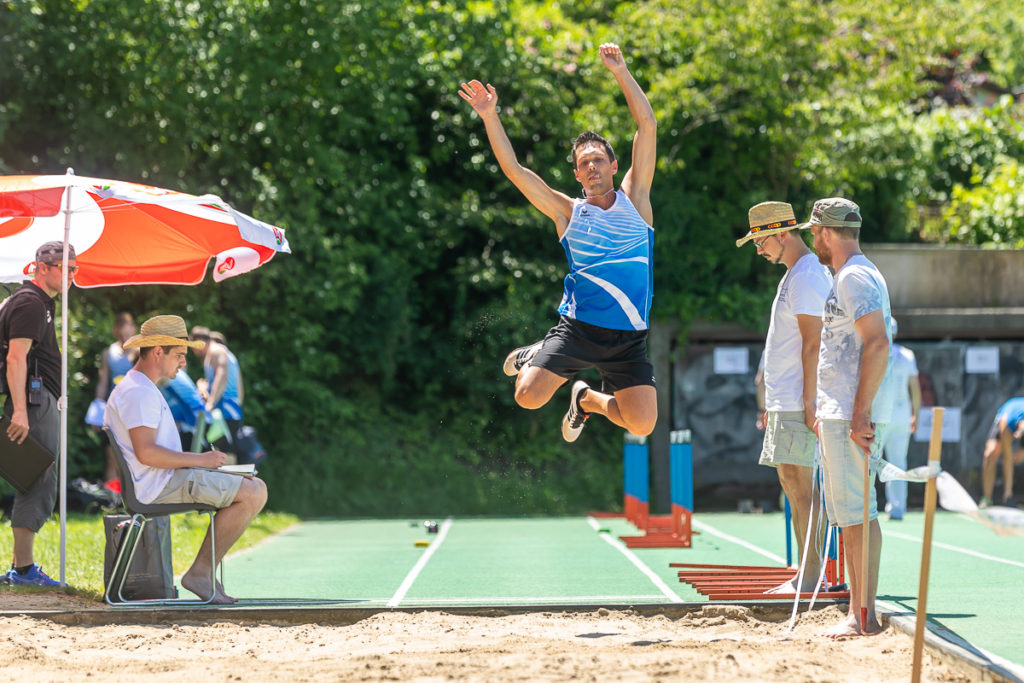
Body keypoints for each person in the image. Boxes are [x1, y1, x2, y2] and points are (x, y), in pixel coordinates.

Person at [459, 43, 657, 442]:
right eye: (583, 163)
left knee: (642, 424)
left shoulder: (635, 200)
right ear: (577, 176)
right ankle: (539, 351)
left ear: (614, 166)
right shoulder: (567, 212)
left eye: (598, 159)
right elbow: (515, 171)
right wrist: (489, 116)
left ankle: (585, 399)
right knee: (527, 397)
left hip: (628, 337)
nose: (591, 167)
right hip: (579, 330)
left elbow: (647, 126)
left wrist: (620, 71)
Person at [104, 315, 267, 603]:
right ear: (158, 352)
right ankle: (200, 573)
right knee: (254, 492)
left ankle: (202, 572)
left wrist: (200, 463)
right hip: (158, 486)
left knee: (249, 483)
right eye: (179, 355)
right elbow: (148, 453)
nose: (183, 363)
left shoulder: (141, 387)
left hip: (164, 480)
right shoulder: (139, 392)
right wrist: (200, 460)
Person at [806, 197, 893, 637]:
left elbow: (878, 343)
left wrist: (857, 412)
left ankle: (864, 616)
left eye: (813, 231)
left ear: (824, 231)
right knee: (855, 517)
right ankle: (860, 613)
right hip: (841, 411)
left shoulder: (854, 276)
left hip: (848, 414)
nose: (812, 239)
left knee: (859, 516)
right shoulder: (855, 273)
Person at [737, 201, 833, 593]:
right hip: (787, 399)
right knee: (793, 486)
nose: (758, 250)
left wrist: (810, 400)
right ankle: (807, 574)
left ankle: (811, 578)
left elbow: (815, 343)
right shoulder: (796, 273)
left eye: (760, 241)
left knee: (801, 486)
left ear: (781, 234)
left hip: (797, 400)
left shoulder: (808, 274)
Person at [2, 241, 76, 587]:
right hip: (32, 403)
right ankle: (24, 570)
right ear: (41, 268)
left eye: (75, 268)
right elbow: (15, 359)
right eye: (65, 267)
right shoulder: (31, 302)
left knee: (36, 475)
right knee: (38, 474)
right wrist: (20, 410)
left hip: (37, 401)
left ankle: (20, 567)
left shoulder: (38, 302)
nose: (72, 274)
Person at [877, 318, 921, 520]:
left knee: (871, 462)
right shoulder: (907, 355)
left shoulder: (875, 351)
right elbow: (916, 388)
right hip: (902, 417)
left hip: (880, 416)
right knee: (898, 463)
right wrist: (915, 415)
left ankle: (866, 508)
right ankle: (897, 508)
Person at [94, 312, 138, 485]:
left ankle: (135, 499)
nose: (124, 338)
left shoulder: (141, 351)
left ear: (133, 330)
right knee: (112, 455)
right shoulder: (108, 353)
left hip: (134, 408)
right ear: (115, 332)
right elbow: (102, 382)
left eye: (127, 334)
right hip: (114, 410)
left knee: (135, 456)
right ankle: (111, 498)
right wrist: (97, 408)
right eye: (121, 334)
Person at [190, 326, 245, 451]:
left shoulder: (216, 351)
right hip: (231, 411)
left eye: (193, 345)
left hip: (225, 412)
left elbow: (221, 376)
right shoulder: (220, 352)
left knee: (224, 457)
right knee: (224, 455)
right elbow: (239, 386)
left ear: (199, 340)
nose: (193, 350)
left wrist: (209, 404)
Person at [979, 397, 1024, 508]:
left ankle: (1008, 494)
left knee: (1018, 458)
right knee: (990, 453)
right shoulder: (1007, 422)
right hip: (1006, 417)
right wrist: (1008, 492)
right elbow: (1007, 457)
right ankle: (987, 498)